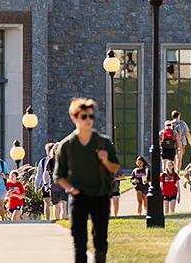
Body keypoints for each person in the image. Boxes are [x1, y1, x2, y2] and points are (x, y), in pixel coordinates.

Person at [54, 98, 120, 263]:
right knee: (79, 242)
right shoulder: (67, 145)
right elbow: (58, 175)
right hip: (79, 197)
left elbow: (115, 168)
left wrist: (105, 160)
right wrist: (71, 189)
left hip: (101, 195)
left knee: (100, 241)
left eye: (91, 116)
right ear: (74, 118)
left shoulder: (103, 142)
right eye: (84, 116)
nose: (88, 120)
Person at [44, 142, 68, 220]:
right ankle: (57, 221)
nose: (57, 149)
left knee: (63, 204)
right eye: (56, 148)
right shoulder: (50, 161)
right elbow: (45, 173)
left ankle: (63, 220)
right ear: (53, 150)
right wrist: (46, 184)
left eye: (59, 148)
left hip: (64, 186)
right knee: (56, 206)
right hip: (54, 187)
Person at [34, 142, 54, 220]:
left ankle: (57, 218)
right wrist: (37, 186)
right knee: (46, 202)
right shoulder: (43, 161)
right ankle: (47, 219)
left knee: (56, 203)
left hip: (55, 184)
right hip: (45, 185)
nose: (47, 152)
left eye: (47, 150)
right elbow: (39, 174)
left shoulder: (57, 160)